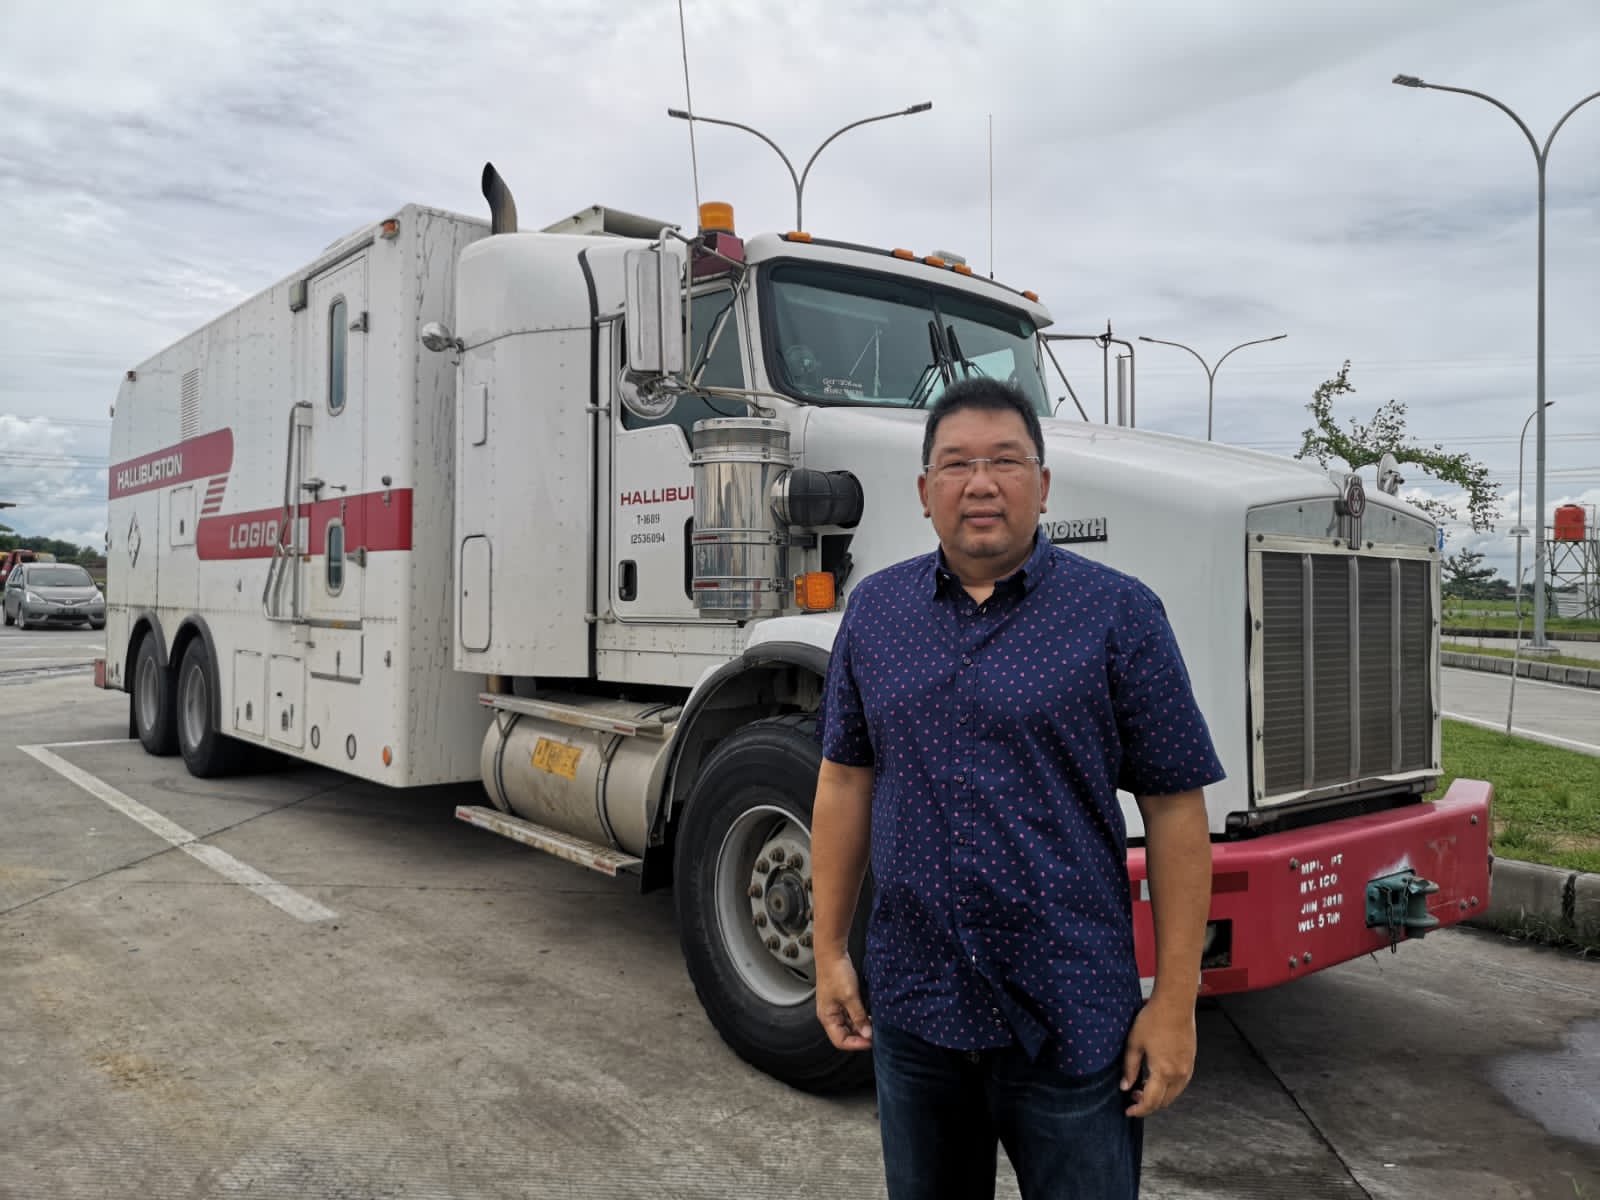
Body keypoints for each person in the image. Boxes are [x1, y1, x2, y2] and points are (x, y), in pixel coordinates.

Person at [811, 377, 1223, 1200]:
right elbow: (844, 782)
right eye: (956, 464)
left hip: (1072, 1016)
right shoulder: (875, 612)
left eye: (1006, 460)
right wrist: (827, 952)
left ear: (1043, 483)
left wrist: (1174, 1001)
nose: (981, 482)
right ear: (925, 492)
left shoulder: (1118, 614)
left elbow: (1176, 810)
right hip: (917, 1010)